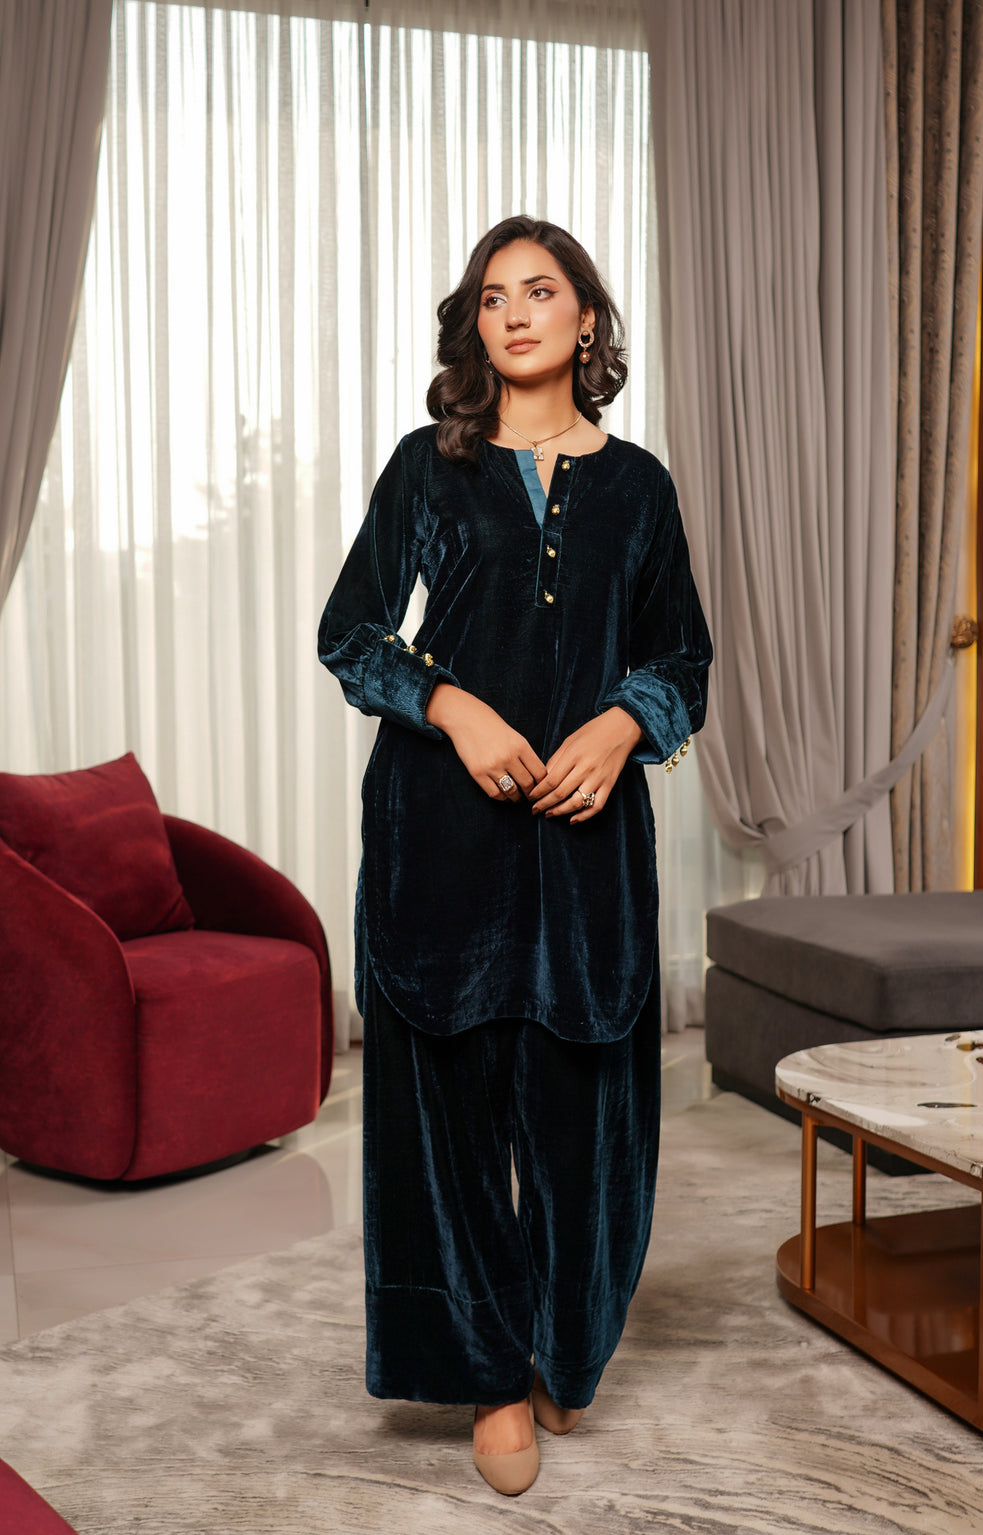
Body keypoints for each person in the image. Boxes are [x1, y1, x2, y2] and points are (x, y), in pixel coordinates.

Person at [318, 216, 711, 1496]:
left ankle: (560, 1338)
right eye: (494, 298)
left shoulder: (640, 486)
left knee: (583, 1113)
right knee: (446, 1115)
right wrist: (451, 704)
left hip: (587, 850)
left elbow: (682, 662)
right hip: (442, 839)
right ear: (474, 327)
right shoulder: (429, 469)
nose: (518, 315)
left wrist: (617, 722)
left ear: (587, 320)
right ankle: (488, 1370)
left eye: (542, 293)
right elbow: (353, 631)